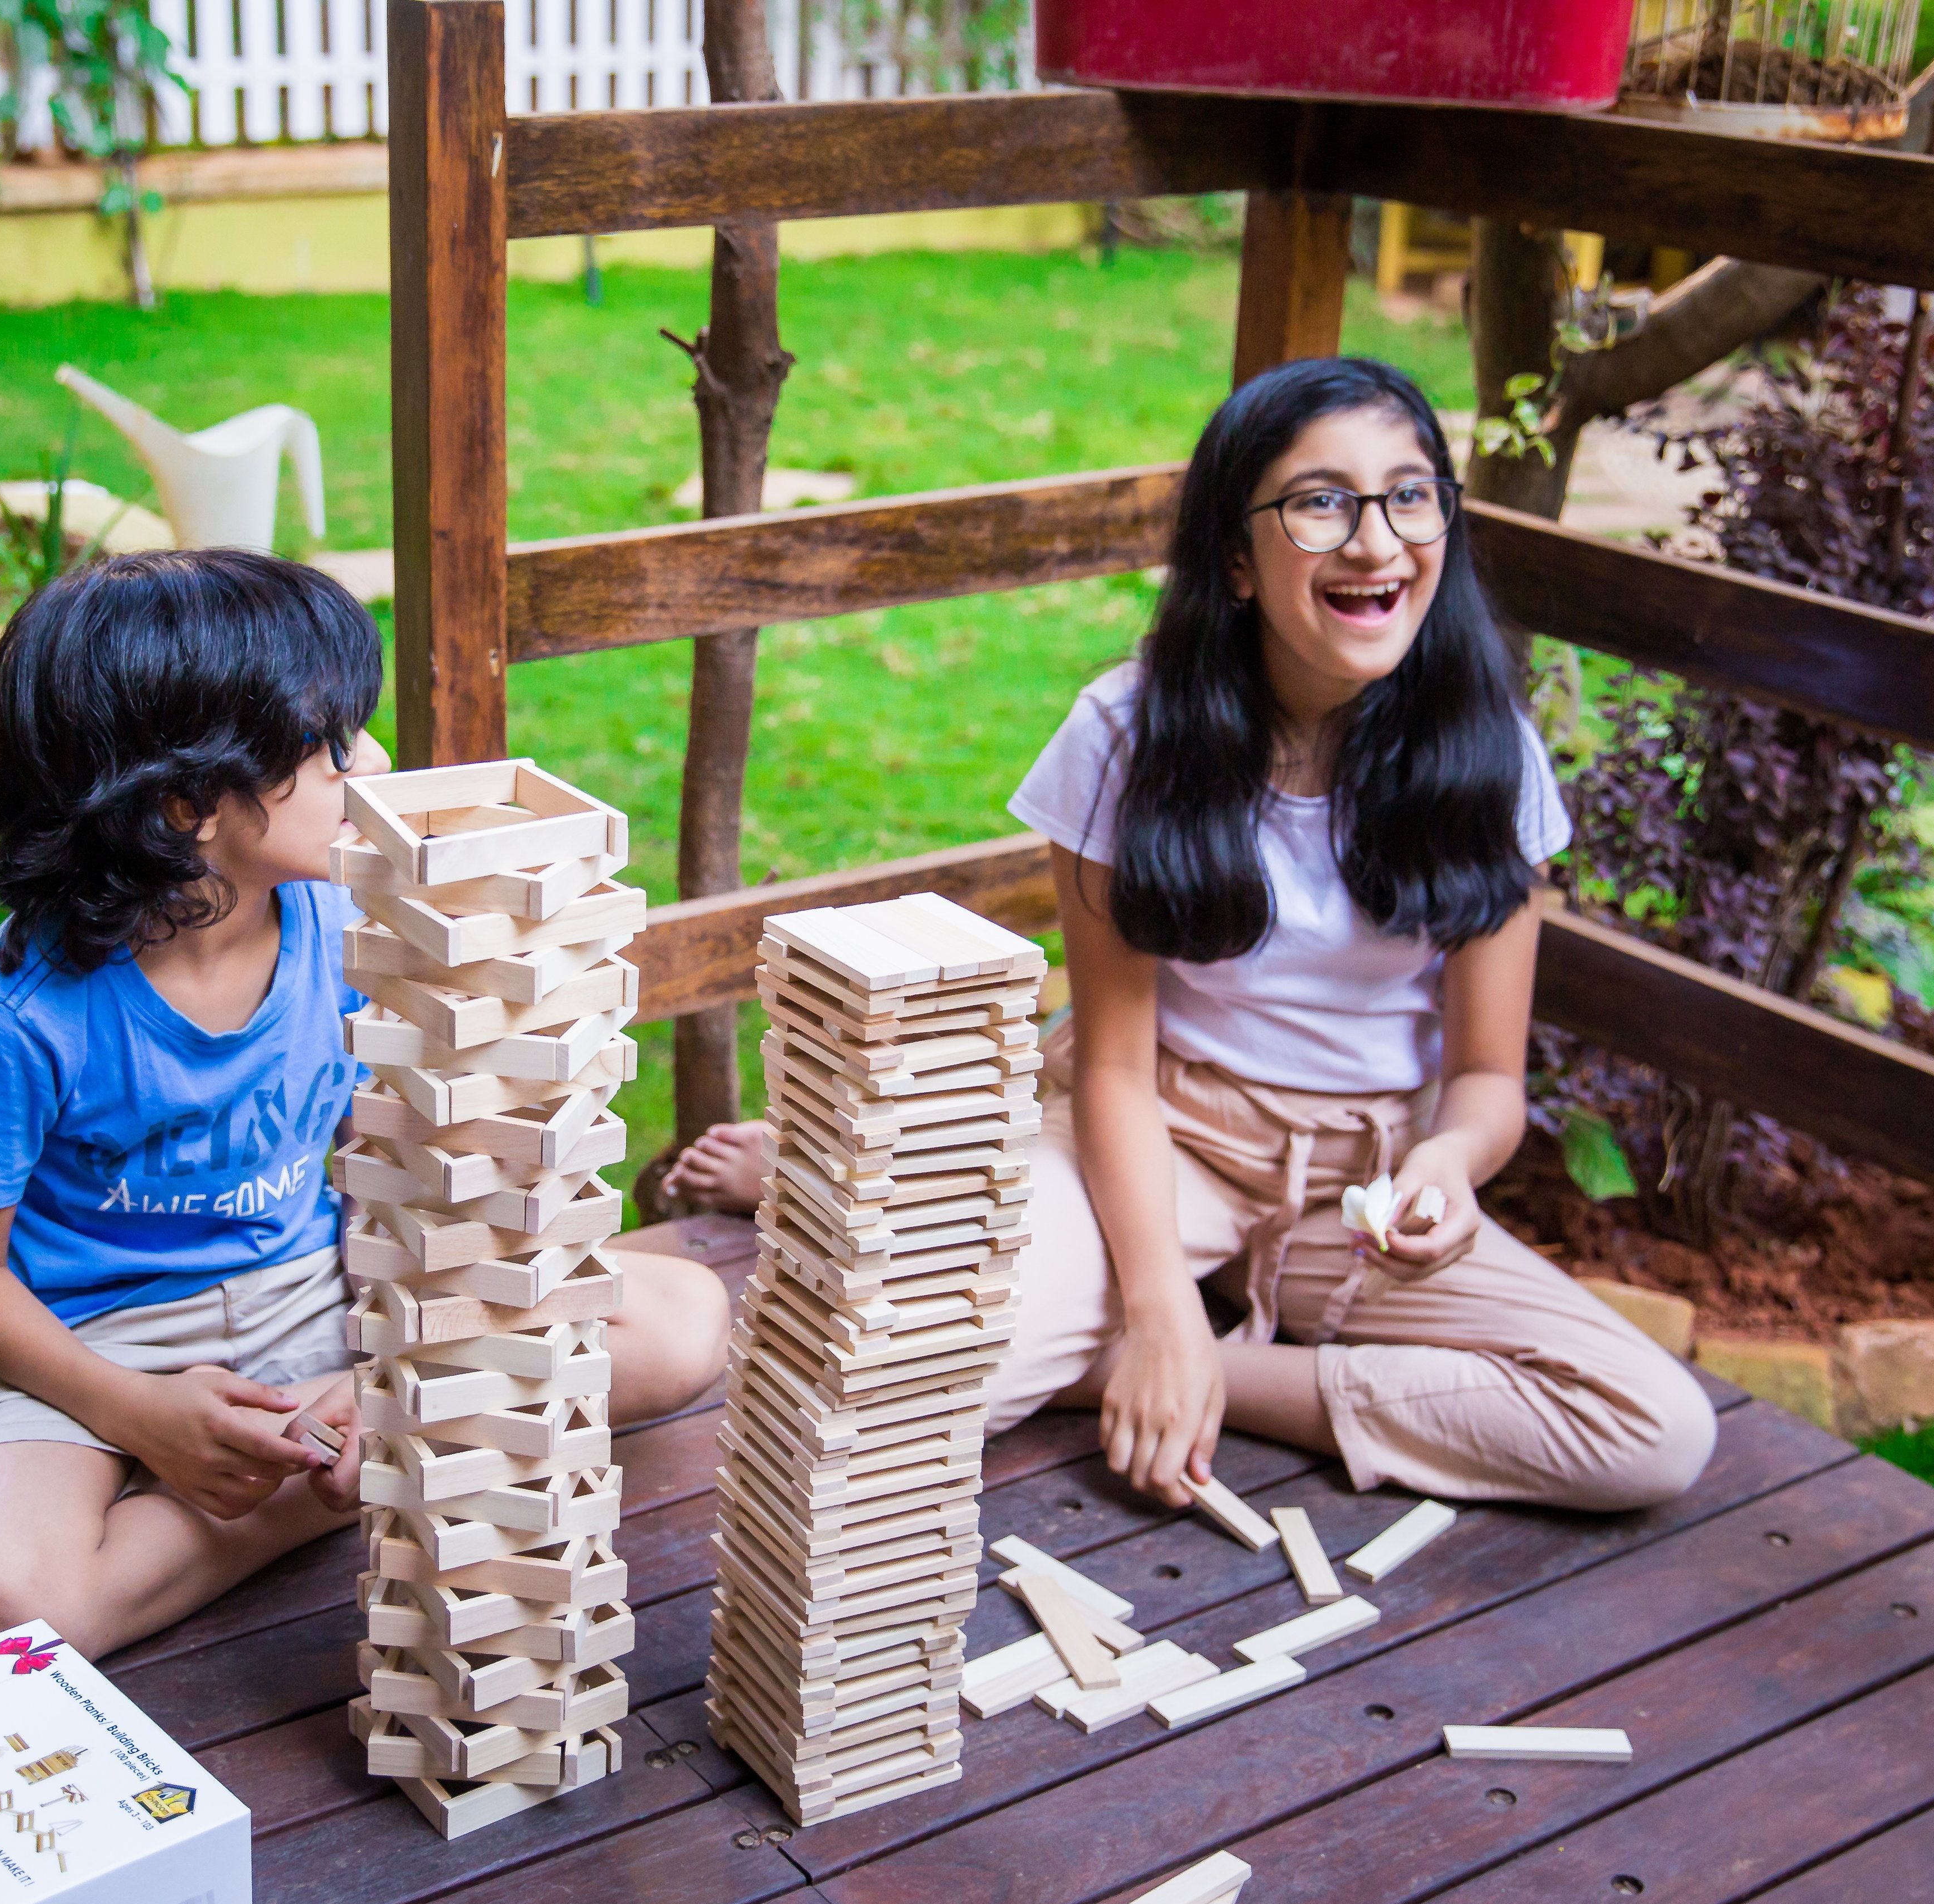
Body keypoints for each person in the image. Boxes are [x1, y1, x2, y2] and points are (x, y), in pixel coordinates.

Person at [667, 359, 1714, 1515]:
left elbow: (1484, 1081)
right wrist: (1163, 1299)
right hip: (1163, 1138)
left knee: (1648, 1430)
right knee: (921, 1388)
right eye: (1322, 503)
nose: (1376, 543)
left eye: (1411, 497)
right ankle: (864, 1187)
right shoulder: (1126, 736)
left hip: (1358, 1197)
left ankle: (1150, 1357)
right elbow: (1112, 1064)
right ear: (1235, 560)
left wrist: (1446, 1168)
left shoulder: (1491, 753)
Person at [0, 550, 728, 1659]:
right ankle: (340, 1472)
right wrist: (136, 1413)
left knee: (680, 1327)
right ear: (189, 806)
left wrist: (390, 1342)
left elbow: (377, 1152)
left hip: (317, 1306)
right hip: (95, 1343)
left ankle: (320, 1449)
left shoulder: (342, 923)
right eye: (333, 751)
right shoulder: (13, 1013)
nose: (377, 763)